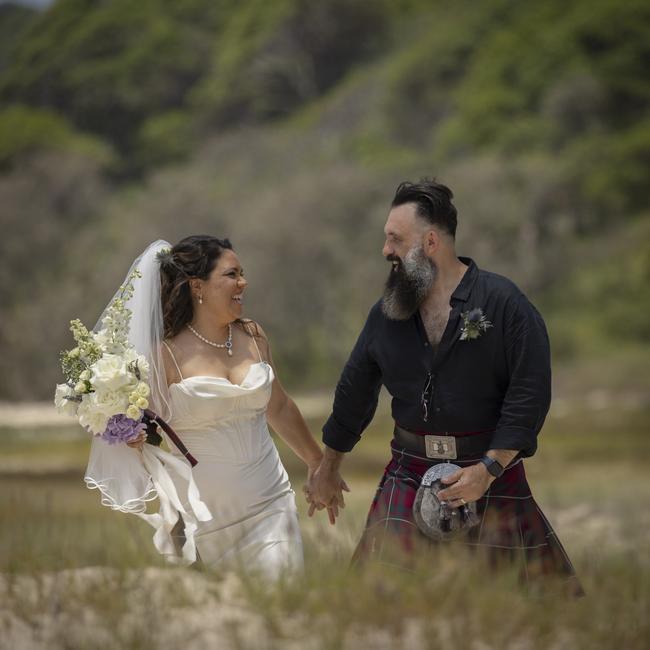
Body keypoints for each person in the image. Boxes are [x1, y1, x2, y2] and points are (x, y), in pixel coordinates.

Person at [306, 179, 582, 594]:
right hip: (408, 470)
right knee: (382, 606)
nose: (386, 251)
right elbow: (354, 393)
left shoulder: (504, 304)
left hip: (489, 473)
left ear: (430, 241)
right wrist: (328, 468)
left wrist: (487, 470)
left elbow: (529, 395)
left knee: (517, 610)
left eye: (395, 240)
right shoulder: (387, 313)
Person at [89, 235, 339, 578]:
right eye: (232, 274)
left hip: (271, 503)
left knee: (280, 596)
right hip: (204, 521)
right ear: (197, 286)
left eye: (242, 273)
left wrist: (319, 465)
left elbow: (279, 407)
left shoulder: (253, 336)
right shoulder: (163, 355)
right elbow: (136, 430)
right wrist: (131, 436)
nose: (243, 283)